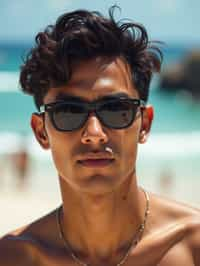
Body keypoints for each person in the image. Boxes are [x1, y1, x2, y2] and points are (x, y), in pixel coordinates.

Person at [0, 6, 200, 266]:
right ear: (41, 132)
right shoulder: (13, 258)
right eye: (69, 112)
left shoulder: (192, 247)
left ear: (145, 124)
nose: (94, 134)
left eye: (116, 109)